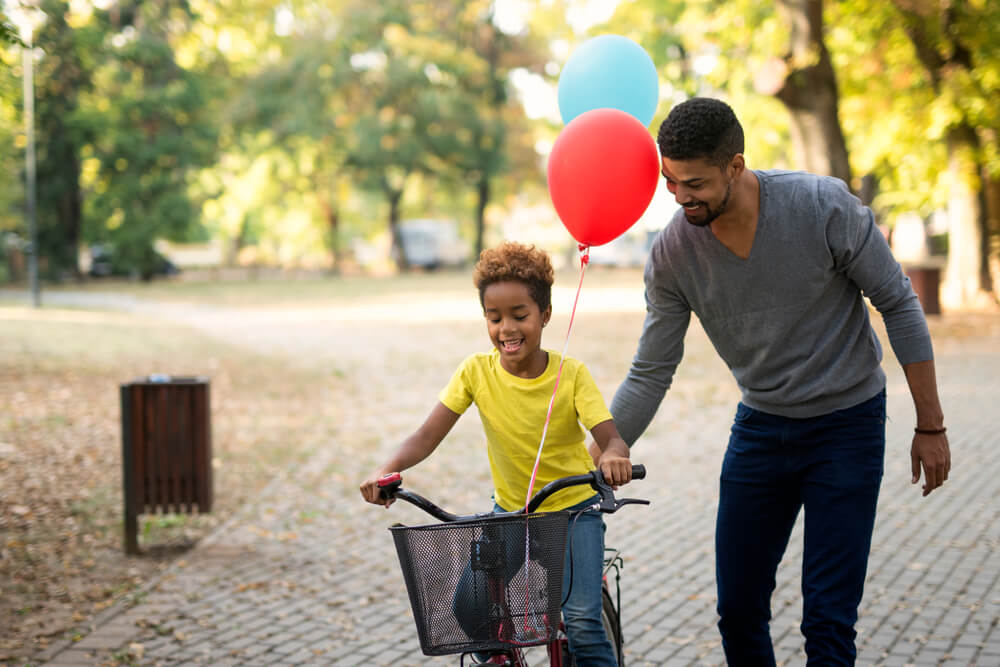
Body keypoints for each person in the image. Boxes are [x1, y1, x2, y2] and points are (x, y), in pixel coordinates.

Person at [608, 97, 951, 666]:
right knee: (738, 611)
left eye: (694, 183)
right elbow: (652, 367)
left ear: (735, 167)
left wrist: (930, 425)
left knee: (827, 618)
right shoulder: (672, 251)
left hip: (848, 425)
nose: (679, 197)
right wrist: (608, 442)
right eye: (670, 182)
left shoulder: (820, 207)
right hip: (762, 426)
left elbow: (899, 304)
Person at [360, 241, 634, 666]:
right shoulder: (475, 372)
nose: (507, 328)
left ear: (544, 314)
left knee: (579, 619)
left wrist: (613, 457)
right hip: (511, 512)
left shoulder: (571, 375)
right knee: (469, 610)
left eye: (519, 315)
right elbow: (427, 434)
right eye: (495, 317)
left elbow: (612, 439)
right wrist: (388, 468)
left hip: (573, 511)